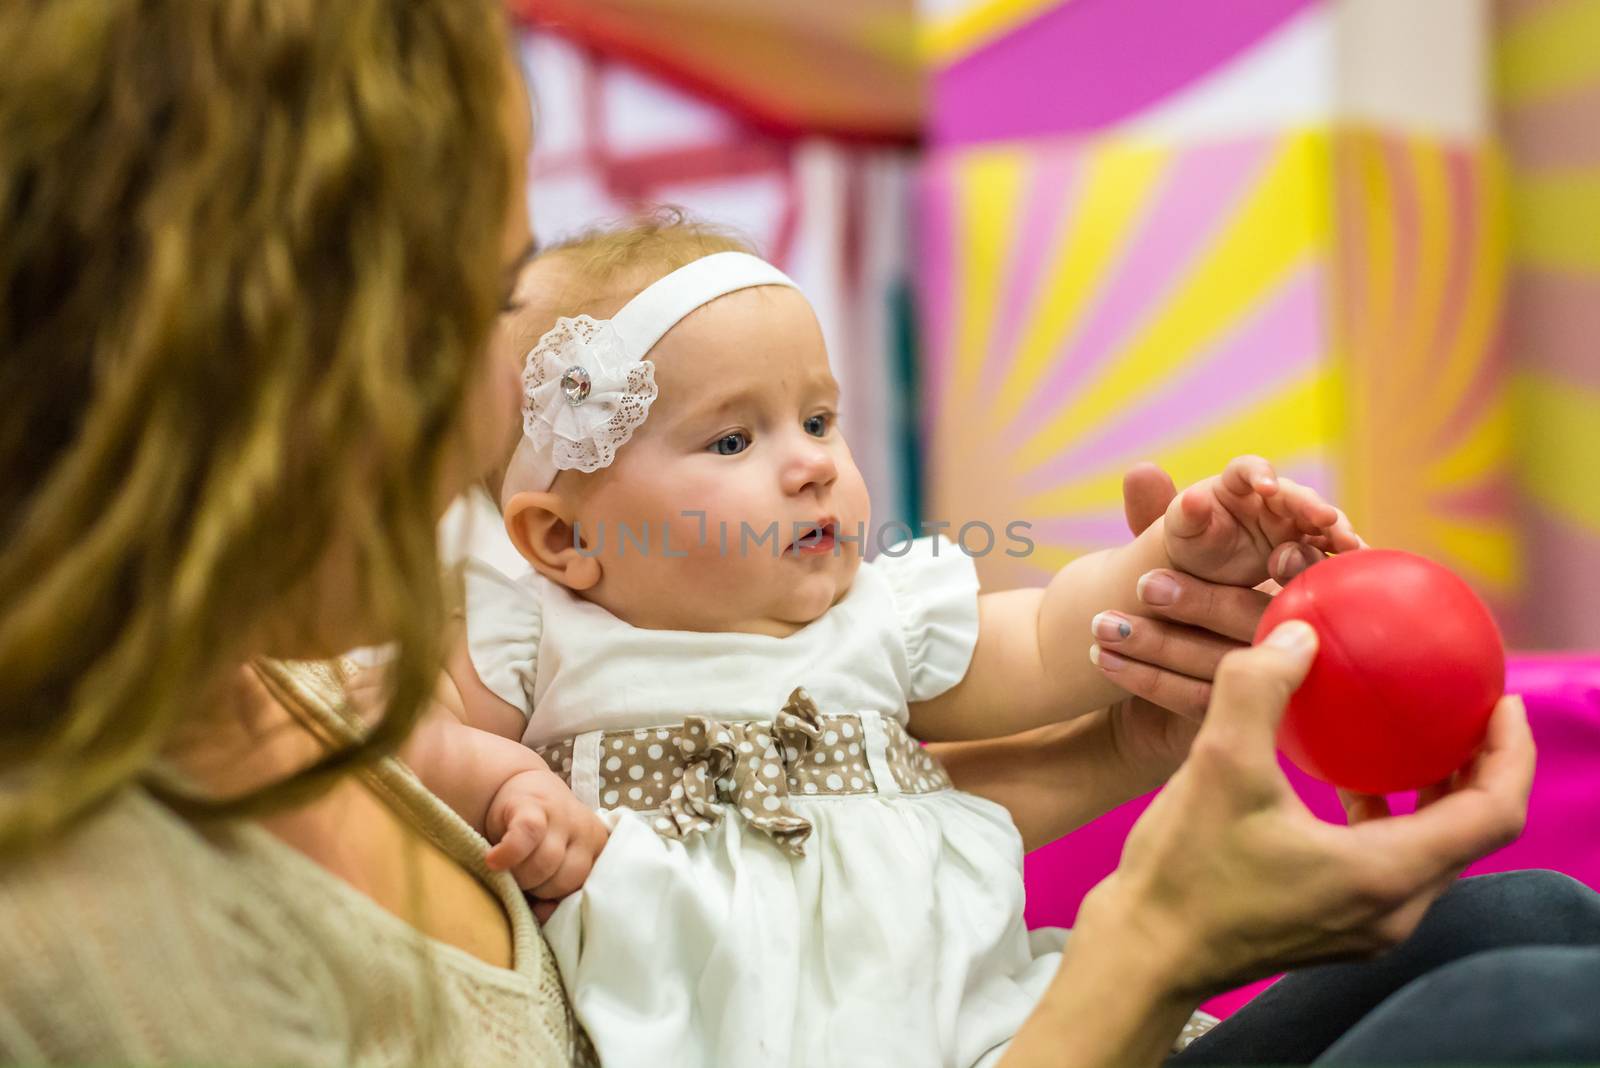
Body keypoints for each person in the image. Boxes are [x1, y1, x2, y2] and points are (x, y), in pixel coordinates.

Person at [2, 3, 1595, 1066]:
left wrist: (1173, 580)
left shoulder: (299, 692)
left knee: (1520, 919)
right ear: (240, 353)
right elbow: (481, 734)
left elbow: (1029, 632)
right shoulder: (111, 957)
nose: (483, 419)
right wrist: (1154, 938)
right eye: (461, 313)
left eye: (817, 425)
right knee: (1526, 1014)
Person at [423, 218, 1357, 1067]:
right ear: (565, 539)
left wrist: (1174, 557)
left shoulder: (878, 615)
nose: (813, 464)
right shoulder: (538, 637)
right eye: (733, 441)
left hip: (976, 1028)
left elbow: (1044, 638)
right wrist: (502, 782)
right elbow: (397, 739)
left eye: (820, 420)